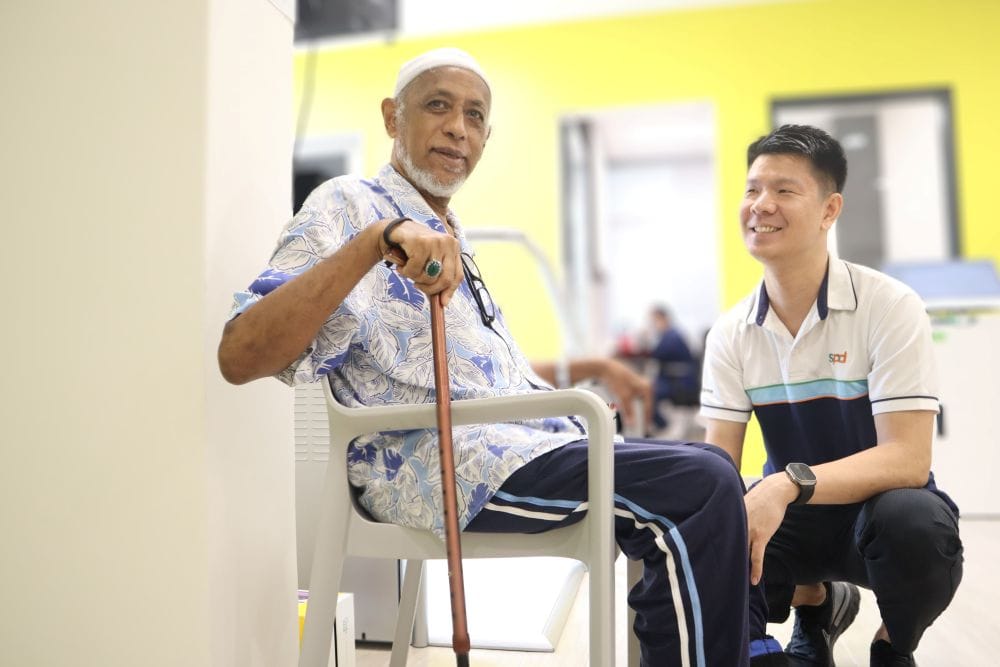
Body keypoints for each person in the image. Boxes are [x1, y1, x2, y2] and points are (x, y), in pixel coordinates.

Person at [218, 47, 752, 666]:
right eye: (438, 107)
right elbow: (240, 354)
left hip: (516, 442)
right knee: (702, 486)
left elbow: (495, 383)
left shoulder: (452, 238)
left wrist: (594, 370)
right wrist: (373, 242)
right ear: (393, 117)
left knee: (718, 469)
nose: (458, 128)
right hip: (435, 461)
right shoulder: (350, 205)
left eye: (474, 117)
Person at [700, 124, 963, 666]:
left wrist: (785, 486)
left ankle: (893, 642)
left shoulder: (889, 306)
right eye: (752, 189)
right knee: (720, 518)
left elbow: (909, 460)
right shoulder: (731, 333)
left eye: (784, 190)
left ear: (829, 209)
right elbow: (718, 461)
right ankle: (814, 604)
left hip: (879, 514)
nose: (761, 205)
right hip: (794, 524)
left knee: (917, 525)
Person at [646, 305, 699, 433]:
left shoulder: (672, 336)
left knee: (649, 393)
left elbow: (659, 353)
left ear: (664, 318)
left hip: (678, 381)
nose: (653, 325)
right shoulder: (669, 335)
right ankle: (659, 426)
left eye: (655, 321)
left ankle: (662, 426)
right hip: (672, 378)